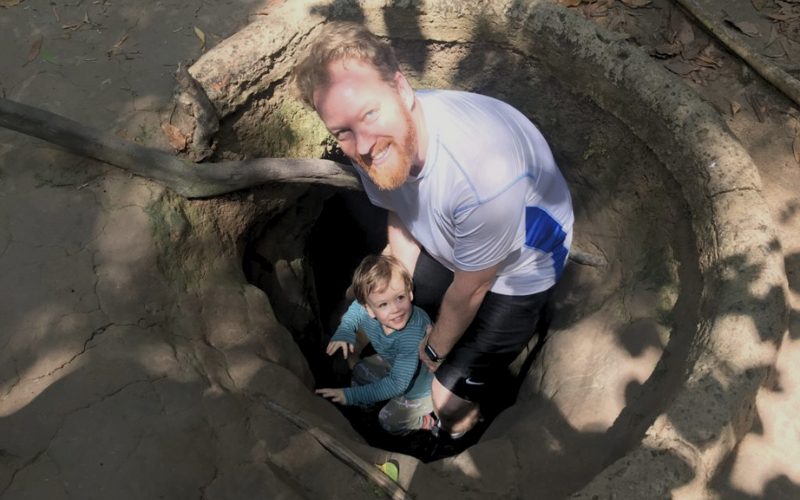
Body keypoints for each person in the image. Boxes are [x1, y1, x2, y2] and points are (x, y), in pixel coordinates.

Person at [295, 22, 574, 440]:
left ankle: (452, 425)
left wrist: (433, 351)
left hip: (516, 272)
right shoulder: (369, 145)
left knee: (447, 400)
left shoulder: (482, 176)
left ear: (403, 90)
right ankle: (417, 364)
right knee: (396, 314)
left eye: (370, 113)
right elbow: (401, 211)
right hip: (455, 247)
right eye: (343, 131)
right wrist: (390, 289)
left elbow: (473, 287)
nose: (364, 143)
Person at [316, 254, 435, 435]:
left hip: (421, 389)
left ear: (410, 292)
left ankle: (422, 421)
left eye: (400, 297)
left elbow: (397, 384)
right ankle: (364, 408)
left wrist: (349, 395)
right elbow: (355, 310)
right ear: (369, 309)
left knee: (387, 421)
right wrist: (346, 330)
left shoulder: (412, 333)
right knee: (359, 372)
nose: (395, 309)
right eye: (384, 304)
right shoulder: (364, 309)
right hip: (394, 363)